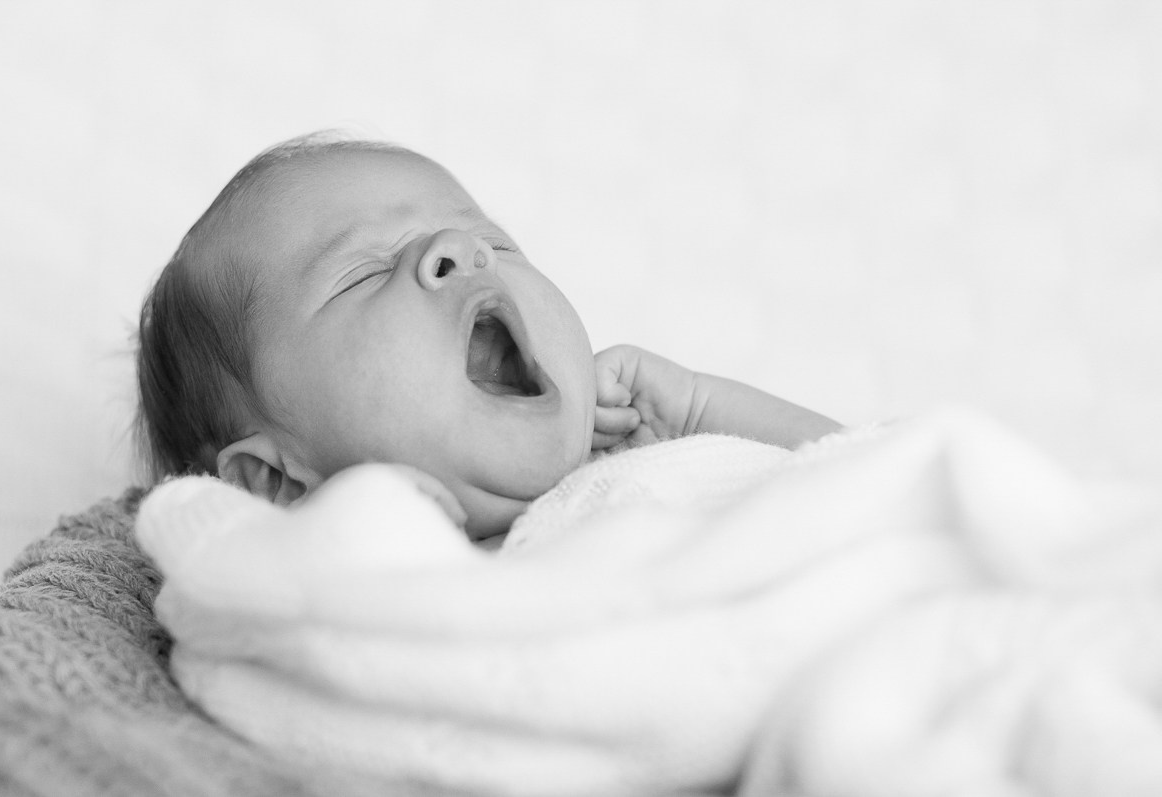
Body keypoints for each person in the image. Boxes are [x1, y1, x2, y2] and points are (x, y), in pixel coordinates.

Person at [136, 132, 841, 546]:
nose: (459, 249)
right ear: (275, 482)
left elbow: (883, 479)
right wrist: (364, 535)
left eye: (492, 241)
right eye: (365, 272)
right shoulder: (341, 589)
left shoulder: (658, 469)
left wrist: (698, 412)